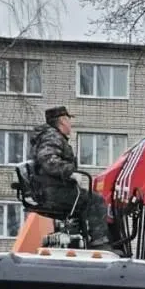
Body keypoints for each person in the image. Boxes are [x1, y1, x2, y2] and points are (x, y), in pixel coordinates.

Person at [28, 106, 116, 252]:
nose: (70, 125)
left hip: (49, 189)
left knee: (84, 199)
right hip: (54, 191)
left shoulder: (49, 136)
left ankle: (76, 234)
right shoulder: (52, 136)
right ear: (62, 120)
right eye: (69, 120)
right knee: (95, 200)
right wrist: (70, 173)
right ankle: (100, 242)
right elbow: (48, 160)